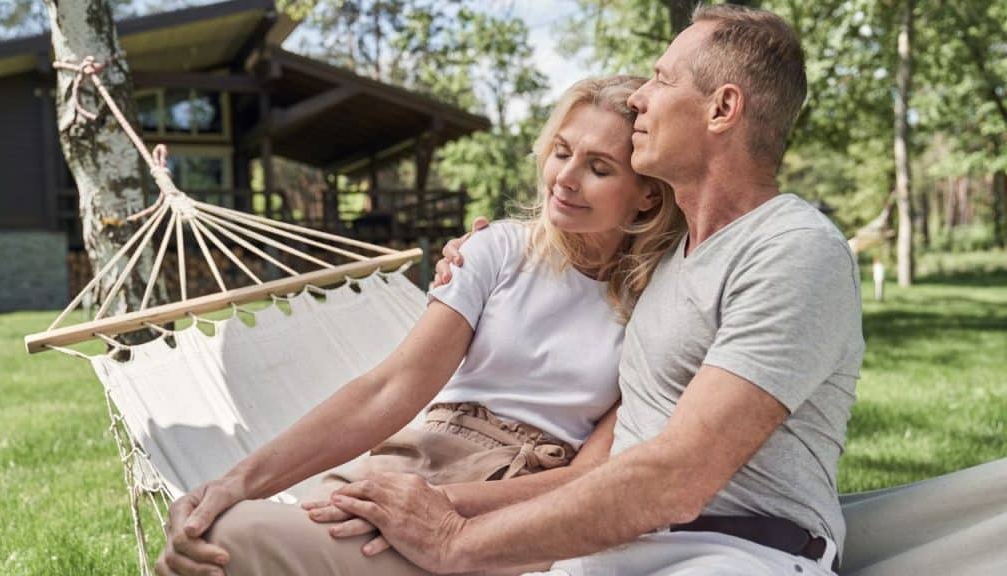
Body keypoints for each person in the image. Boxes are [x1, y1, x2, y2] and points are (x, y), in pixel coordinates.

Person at [324, 5, 864, 576]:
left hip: (737, 551)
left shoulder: (792, 249)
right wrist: (483, 249)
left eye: (662, 79)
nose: (639, 98)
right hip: (600, 547)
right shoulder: (660, 269)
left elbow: (678, 479)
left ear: (723, 108)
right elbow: (579, 254)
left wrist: (454, 539)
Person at [155, 75, 686, 576]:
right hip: (414, 459)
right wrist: (233, 482)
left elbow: (585, 478)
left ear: (649, 195)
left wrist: (437, 508)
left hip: (511, 505)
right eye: (562, 152)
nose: (565, 178)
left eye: (599, 168)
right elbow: (392, 387)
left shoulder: (660, 307)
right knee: (219, 528)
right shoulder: (497, 251)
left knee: (232, 540)